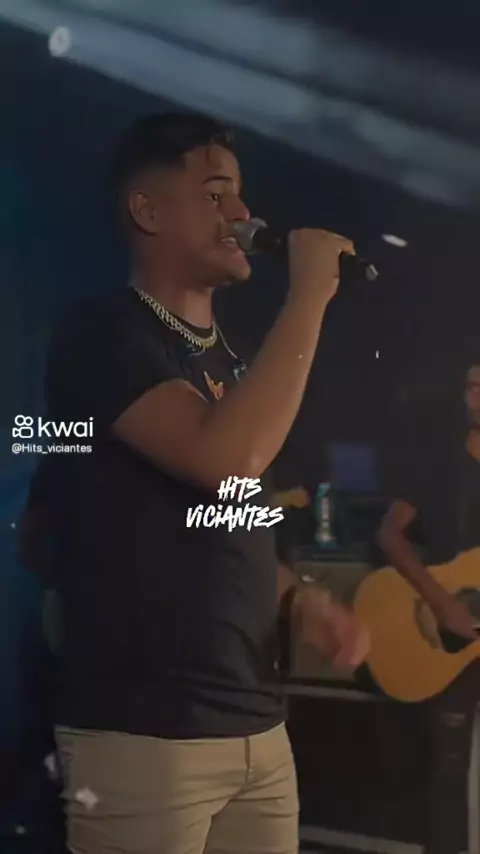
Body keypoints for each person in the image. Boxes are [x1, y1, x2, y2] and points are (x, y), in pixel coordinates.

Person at [27, 111, 369, 854]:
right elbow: (224, 459)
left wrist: (297, 596)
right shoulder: (102, 336)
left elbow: (232, 513)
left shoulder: (233, 365)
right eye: (216, 194)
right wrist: (309, 295)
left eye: (239, 194)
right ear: (147, 211)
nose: (242, 213)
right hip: (146, 736)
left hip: (257, 725)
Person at [377, 360, 480, 639]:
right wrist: (441, 602)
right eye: (473, 387)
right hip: (435, 628)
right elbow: (389, 534)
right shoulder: (440, 462)